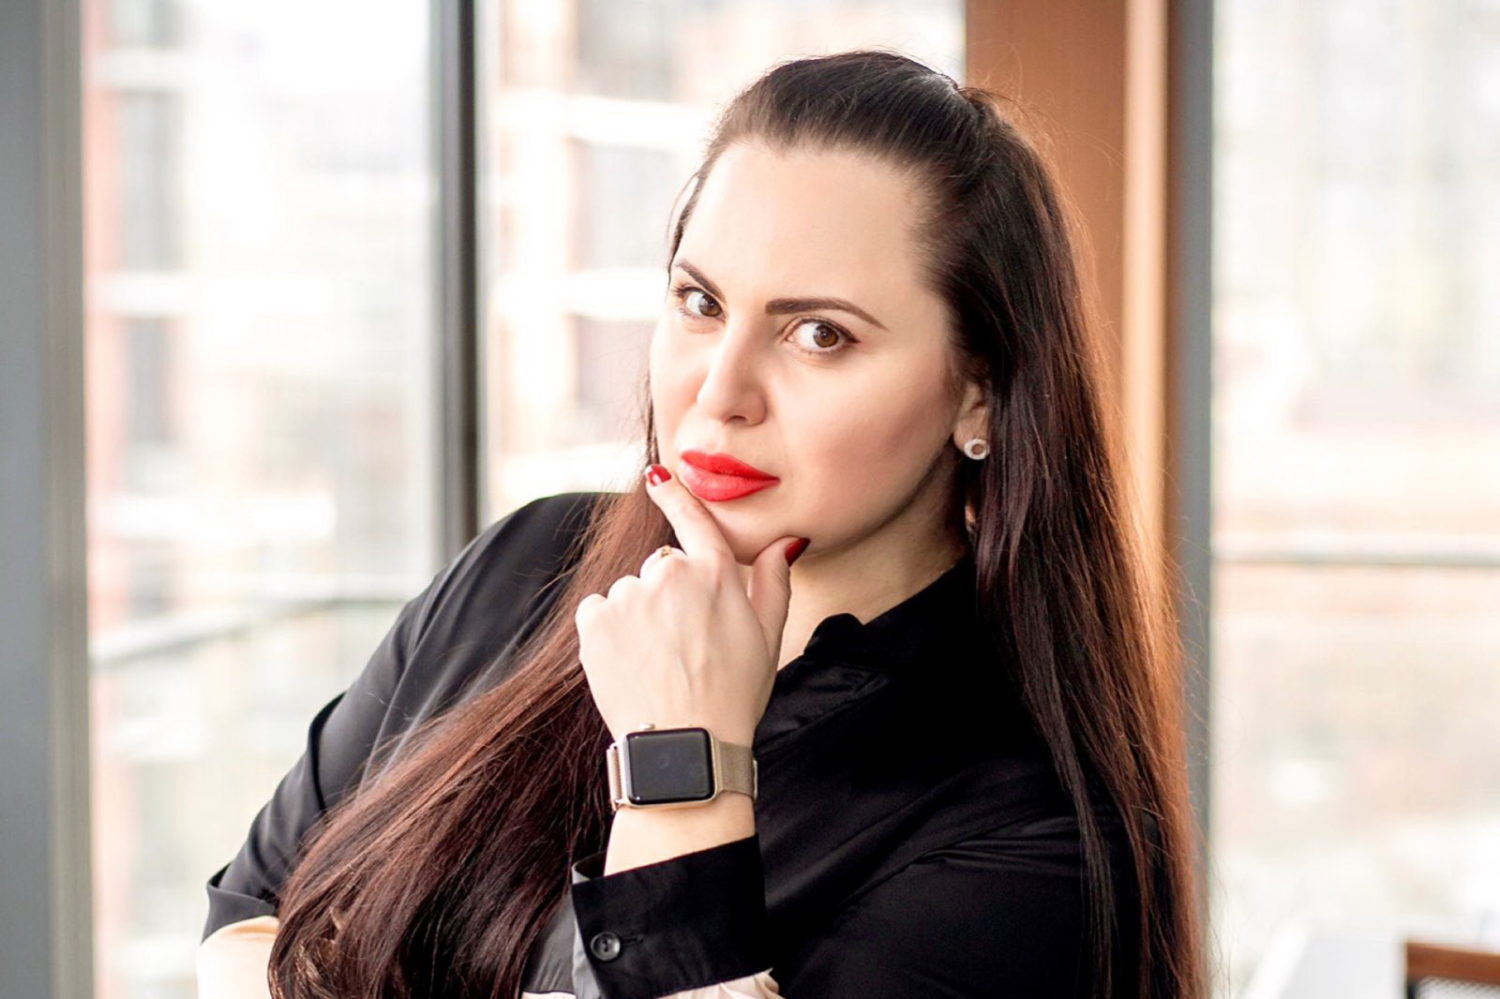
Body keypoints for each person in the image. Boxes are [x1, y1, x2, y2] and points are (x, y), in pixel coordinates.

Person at [198, 49, 1206, 999]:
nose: (721, 391)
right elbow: (248, 919)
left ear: (979, 392)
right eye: (700, 302)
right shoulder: (525, 566)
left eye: (820, 335)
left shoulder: (1035, 830)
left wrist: (682, 769)